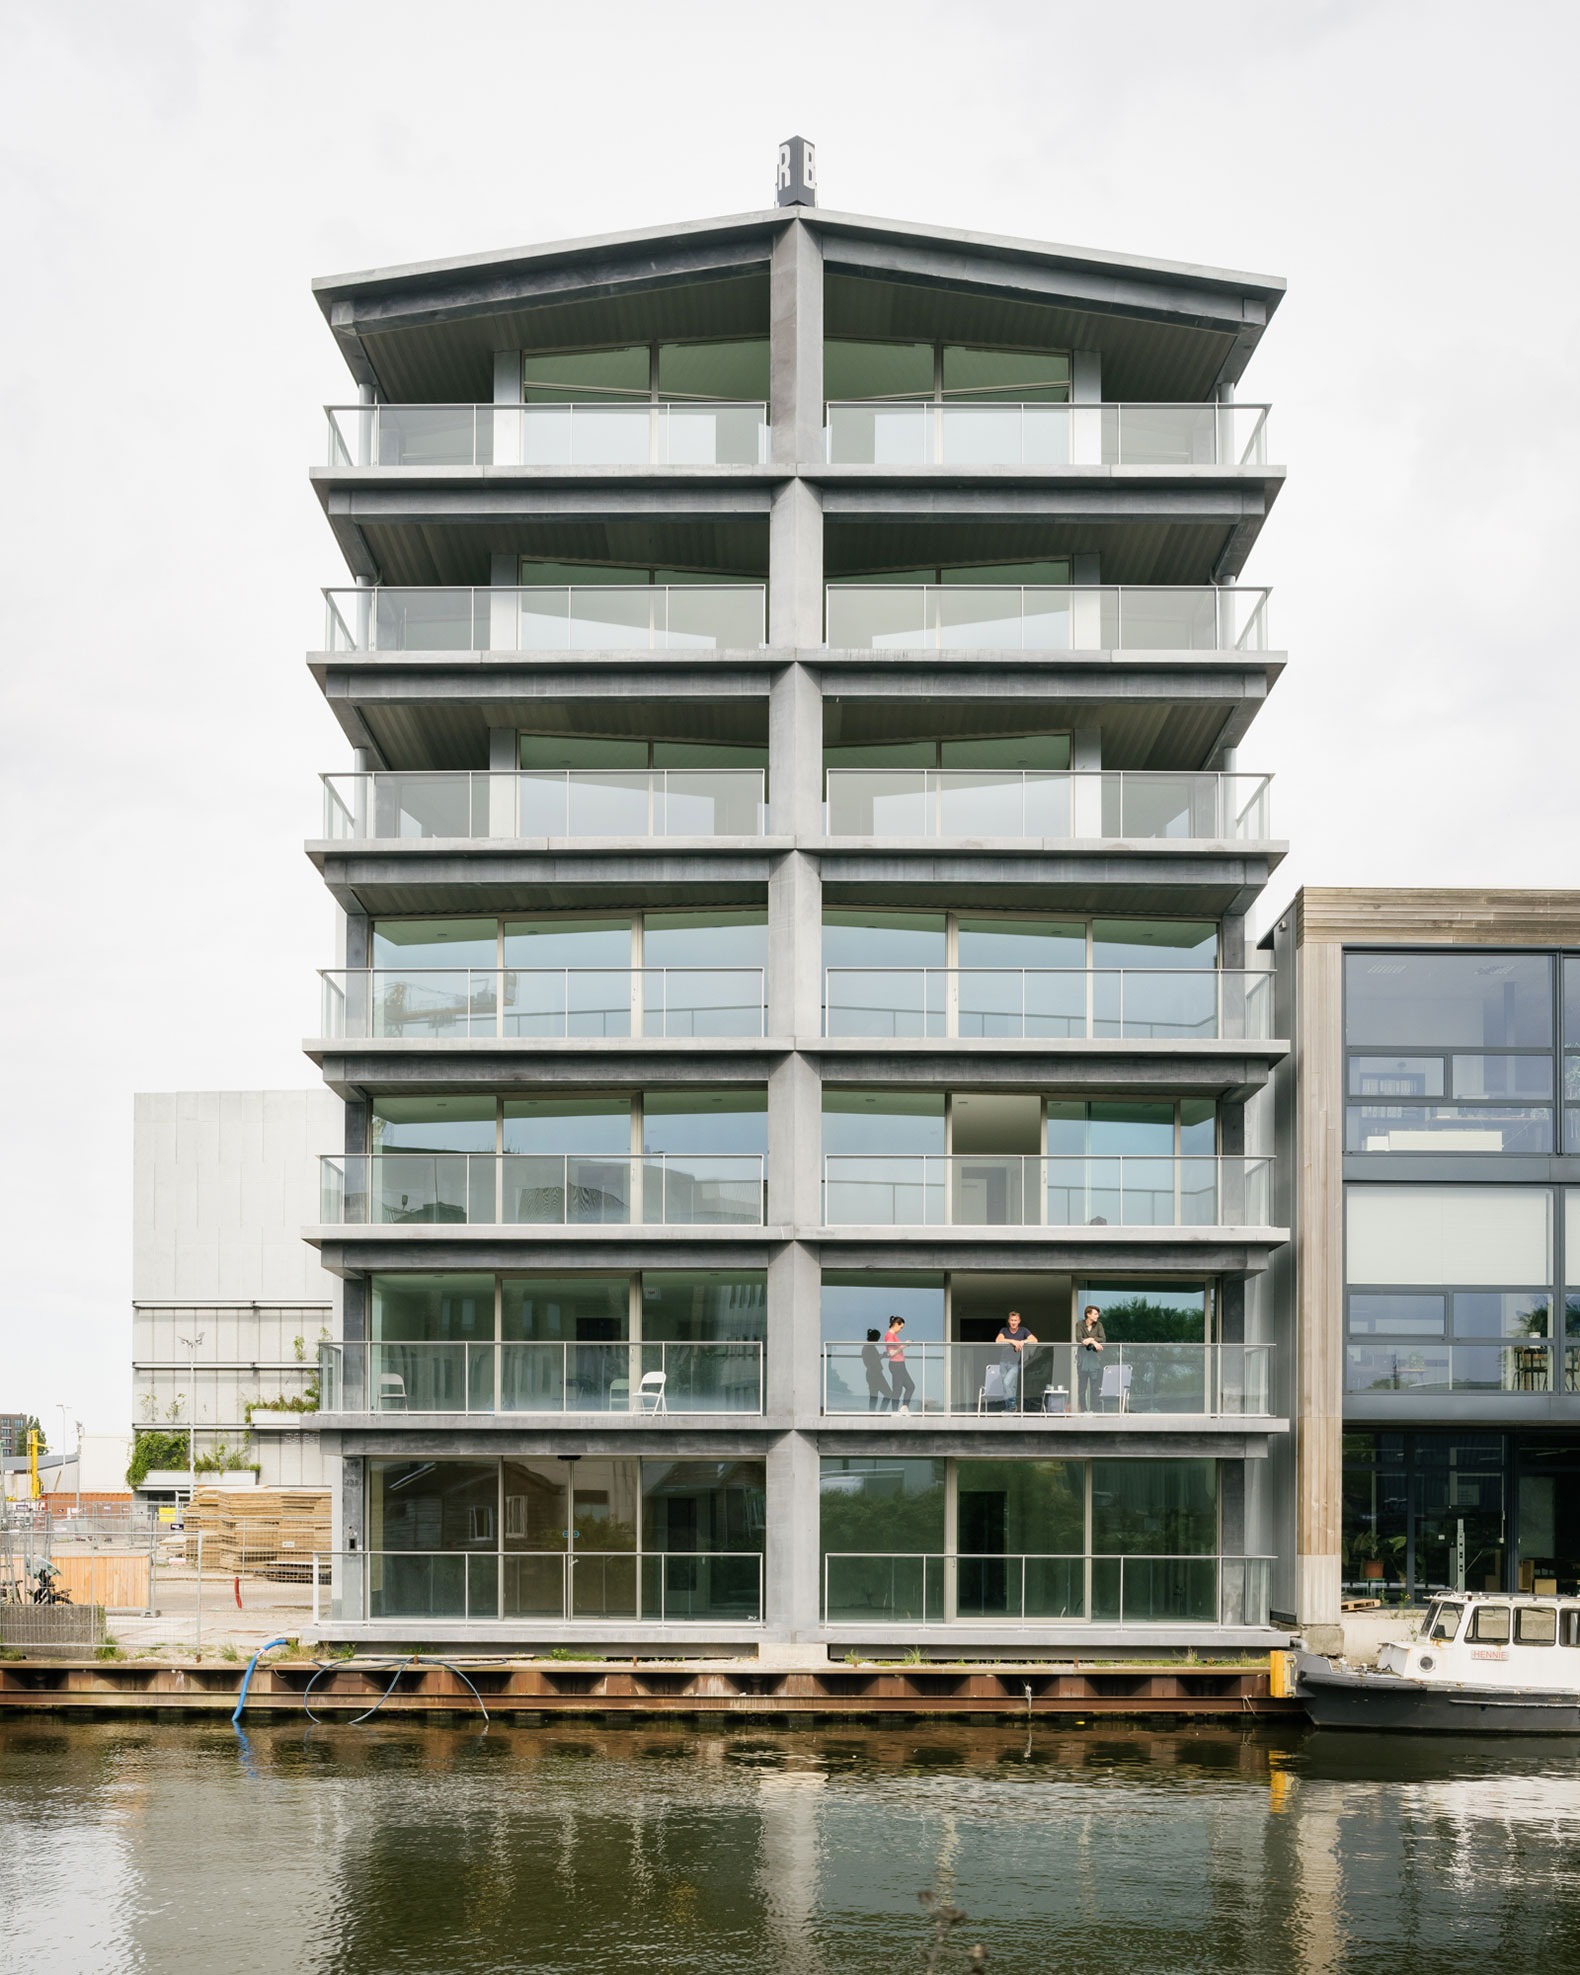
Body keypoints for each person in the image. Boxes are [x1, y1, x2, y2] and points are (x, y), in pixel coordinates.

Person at [994, 1309, 1038, 1412]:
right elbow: (998, 1340)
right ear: (1009, 1321)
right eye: (1012, 1320)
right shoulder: (1004, 1330)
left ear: (1019, 1321)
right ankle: (1009, 1409)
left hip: (1015, 1363)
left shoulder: (1023, 1330)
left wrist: (1023, 1341)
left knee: (1006, 1382)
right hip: (1003, 1362)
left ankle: (1012, 1405)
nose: (1013, 1322)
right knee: (1008, 1387)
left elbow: (1034, 1340)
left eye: (1015, 1320)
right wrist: (1013, 1341)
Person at [1076, 1304, 1107, 1412]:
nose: (1097, 1316)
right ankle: (1084, 1410)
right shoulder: (1080, 1324)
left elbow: (1103, 1339)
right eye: (1095, 1314)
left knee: (1095, 1389)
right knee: (1081, 1390)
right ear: (1088, 1314)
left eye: (1098, 1314)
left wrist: (1090, 1339)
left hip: (1094, 1361)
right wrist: (1094, 1341)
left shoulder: (1099, 1325)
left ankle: (1094, 1410)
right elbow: (1079, 1338)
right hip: (1083, 1361)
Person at [884, 1315, 916, 1414]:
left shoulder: (893, 1336)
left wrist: (904, 1345)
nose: (901, 1330)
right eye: (901, 1327)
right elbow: (891, 1353)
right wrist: (904, 1346)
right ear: (895, 1324)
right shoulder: (889, 1335)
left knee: (910, 1386)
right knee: (897, 1389)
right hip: (896, 1364)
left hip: (900, 1364)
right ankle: (894, 1411)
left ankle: (904, 1407)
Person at [860, 1327, 892, 1413]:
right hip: (875, 1373)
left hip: (872, 1373)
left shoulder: (868, 1347)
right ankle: (881, 1412)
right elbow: (872, 1361)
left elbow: (873, 1359)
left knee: (874, 1395)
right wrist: (881, 1356)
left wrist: (881, 1356)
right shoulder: (869, 1347)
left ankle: (873, 1413)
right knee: (888, 1394)